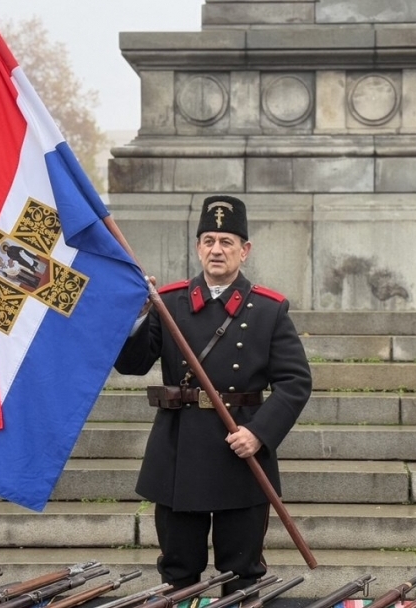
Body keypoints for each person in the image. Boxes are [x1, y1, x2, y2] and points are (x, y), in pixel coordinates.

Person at [114, 195, 312, 596]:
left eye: (226, 241)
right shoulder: (168, 302)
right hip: (178, 452)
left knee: (242, 574)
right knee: (178, 572)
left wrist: (258, 433)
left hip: (239, 452)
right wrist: (136, 314)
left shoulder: (268, 309)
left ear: (245, 250)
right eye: (208, 241)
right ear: (198, 247)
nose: (216, 250)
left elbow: (295, 382)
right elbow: (132, 364)